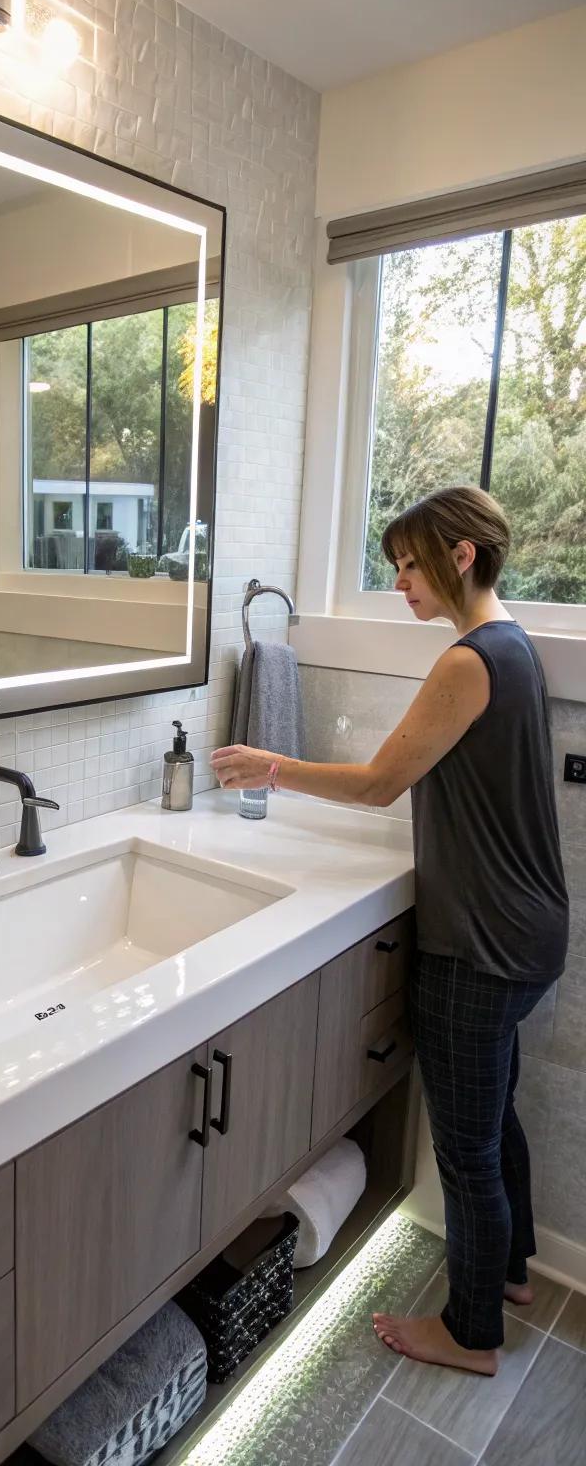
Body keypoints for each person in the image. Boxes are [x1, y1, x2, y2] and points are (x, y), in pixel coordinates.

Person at [211, 485, 568, 1377]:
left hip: (478, 945)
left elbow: (378, 785)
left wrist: (271, 767)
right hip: (530, 932)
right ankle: (513, 1270)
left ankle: (472, 1331)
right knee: (495, 1119)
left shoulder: (468, 661)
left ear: (459, 557)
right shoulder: (514, 646)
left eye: (411, 563)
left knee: (466, 1148)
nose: (400, 580)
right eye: (395, 565)